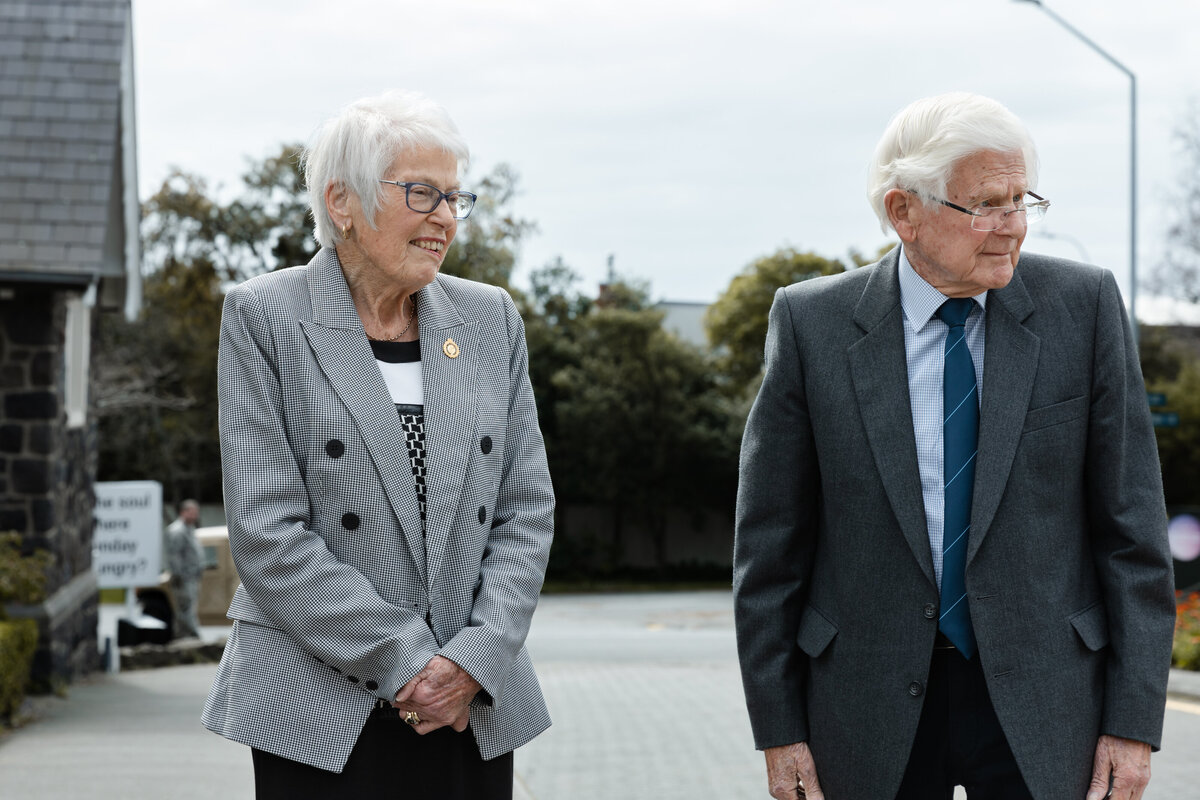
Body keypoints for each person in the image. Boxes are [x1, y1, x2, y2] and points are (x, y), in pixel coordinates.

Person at [733, 92, 1175, 800]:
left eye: (1021, 200)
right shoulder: (811, 324)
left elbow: (1133, 536)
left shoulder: (1084, 309)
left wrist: (1133, 722)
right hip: (864, 706)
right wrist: (779, 730)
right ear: (904, 211)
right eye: (986, 206)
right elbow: (769, 551)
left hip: (1049, 705)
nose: (1013, 228)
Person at [201, 90, 555, 799]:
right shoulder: (265, 316)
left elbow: (525, 512)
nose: (446, 219)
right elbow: (269, 534)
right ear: (342, 202)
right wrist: (408, 662)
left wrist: (473, 660)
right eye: (424, 194)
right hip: (318, 706)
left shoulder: (490, 320)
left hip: (467, 703)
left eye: (457, 197)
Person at [163, 498, 204, 638]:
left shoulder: (189, 529)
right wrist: (179, 576)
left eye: (196, 512)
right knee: (186, 609)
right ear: (183, 512)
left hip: (192, 577)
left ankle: (183, 637)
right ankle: (194, 637)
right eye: (192, 512)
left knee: (187, 608)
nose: (195, 515)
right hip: (184, 578)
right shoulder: (177, 531)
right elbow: (174, 557)